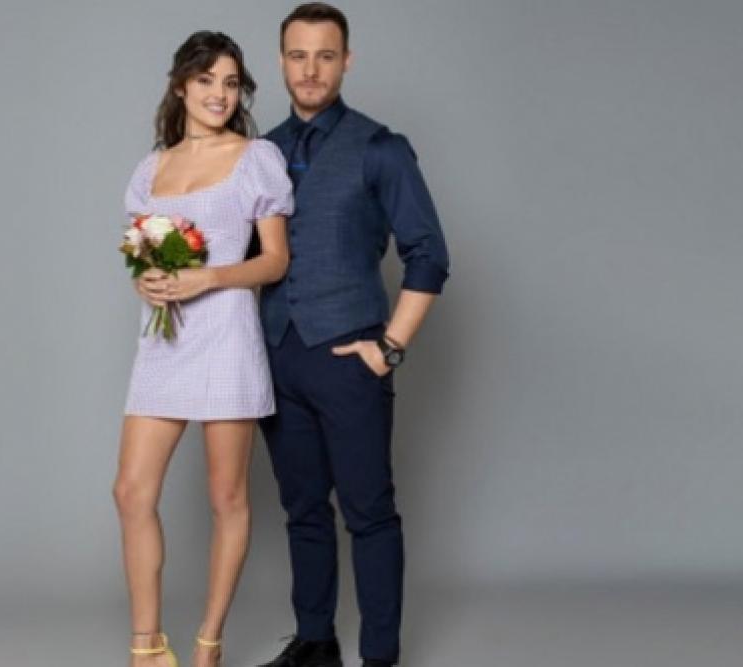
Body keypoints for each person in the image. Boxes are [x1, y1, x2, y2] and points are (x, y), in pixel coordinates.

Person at [253, 4, 452, 667]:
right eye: (298, 55)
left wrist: (390, 346)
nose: (311, 70)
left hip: (350, 356)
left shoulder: (380, 147)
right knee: (303, 509)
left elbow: (428, 255)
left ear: (347, 61)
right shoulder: (260, 152)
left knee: (369, 510)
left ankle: (380, 656)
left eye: (325, 55)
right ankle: (316, 642)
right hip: (277, 355)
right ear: (281, 62)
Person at [114, 30, 295, 667]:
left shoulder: (257, 158)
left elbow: (275, 261)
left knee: (228, 497)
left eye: (231, 82)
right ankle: (147, 647)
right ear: (180, 86)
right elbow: (142, 259)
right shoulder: (151, 168)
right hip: (164, 343)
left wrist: (208, 277)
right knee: (131, 492)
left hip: (225, 338)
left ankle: (208, 643)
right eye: (206, 80)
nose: (220, 93)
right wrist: (147, 282)